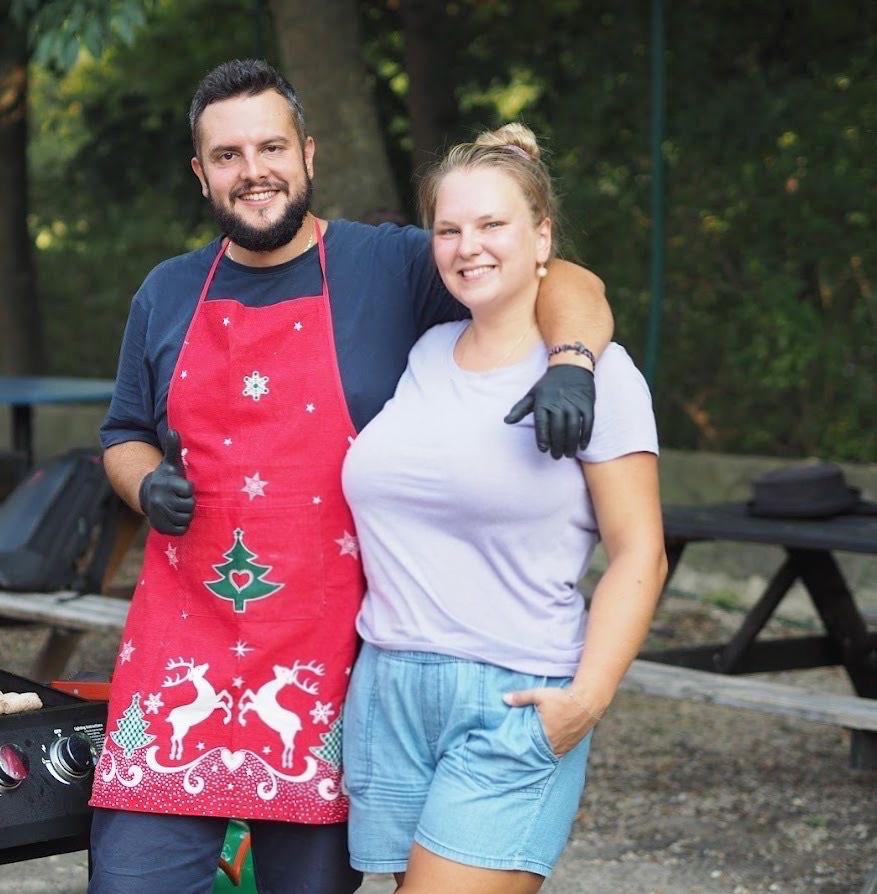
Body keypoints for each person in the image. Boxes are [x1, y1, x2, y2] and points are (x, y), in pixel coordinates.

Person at [90, 59, 613, 894]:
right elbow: (122, 433)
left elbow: (558, 276)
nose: (252, 170)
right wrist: (144, 481)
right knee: (130, 882)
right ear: (200, 173)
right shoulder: (165, 291)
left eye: (270, 147)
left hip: (328, 656)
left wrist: (574, 362)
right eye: (227, 155)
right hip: (179, 642)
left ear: (307, 153)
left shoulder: (389, 265)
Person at [340, 123, 667, 892]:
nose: (468, 247)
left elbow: (640, 553)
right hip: (389, 688)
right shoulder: (426, 352)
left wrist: (585, 699)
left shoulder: (601, 376)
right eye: (448, 230)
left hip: (511, 695)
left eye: (492, 225)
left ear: (541, 236)